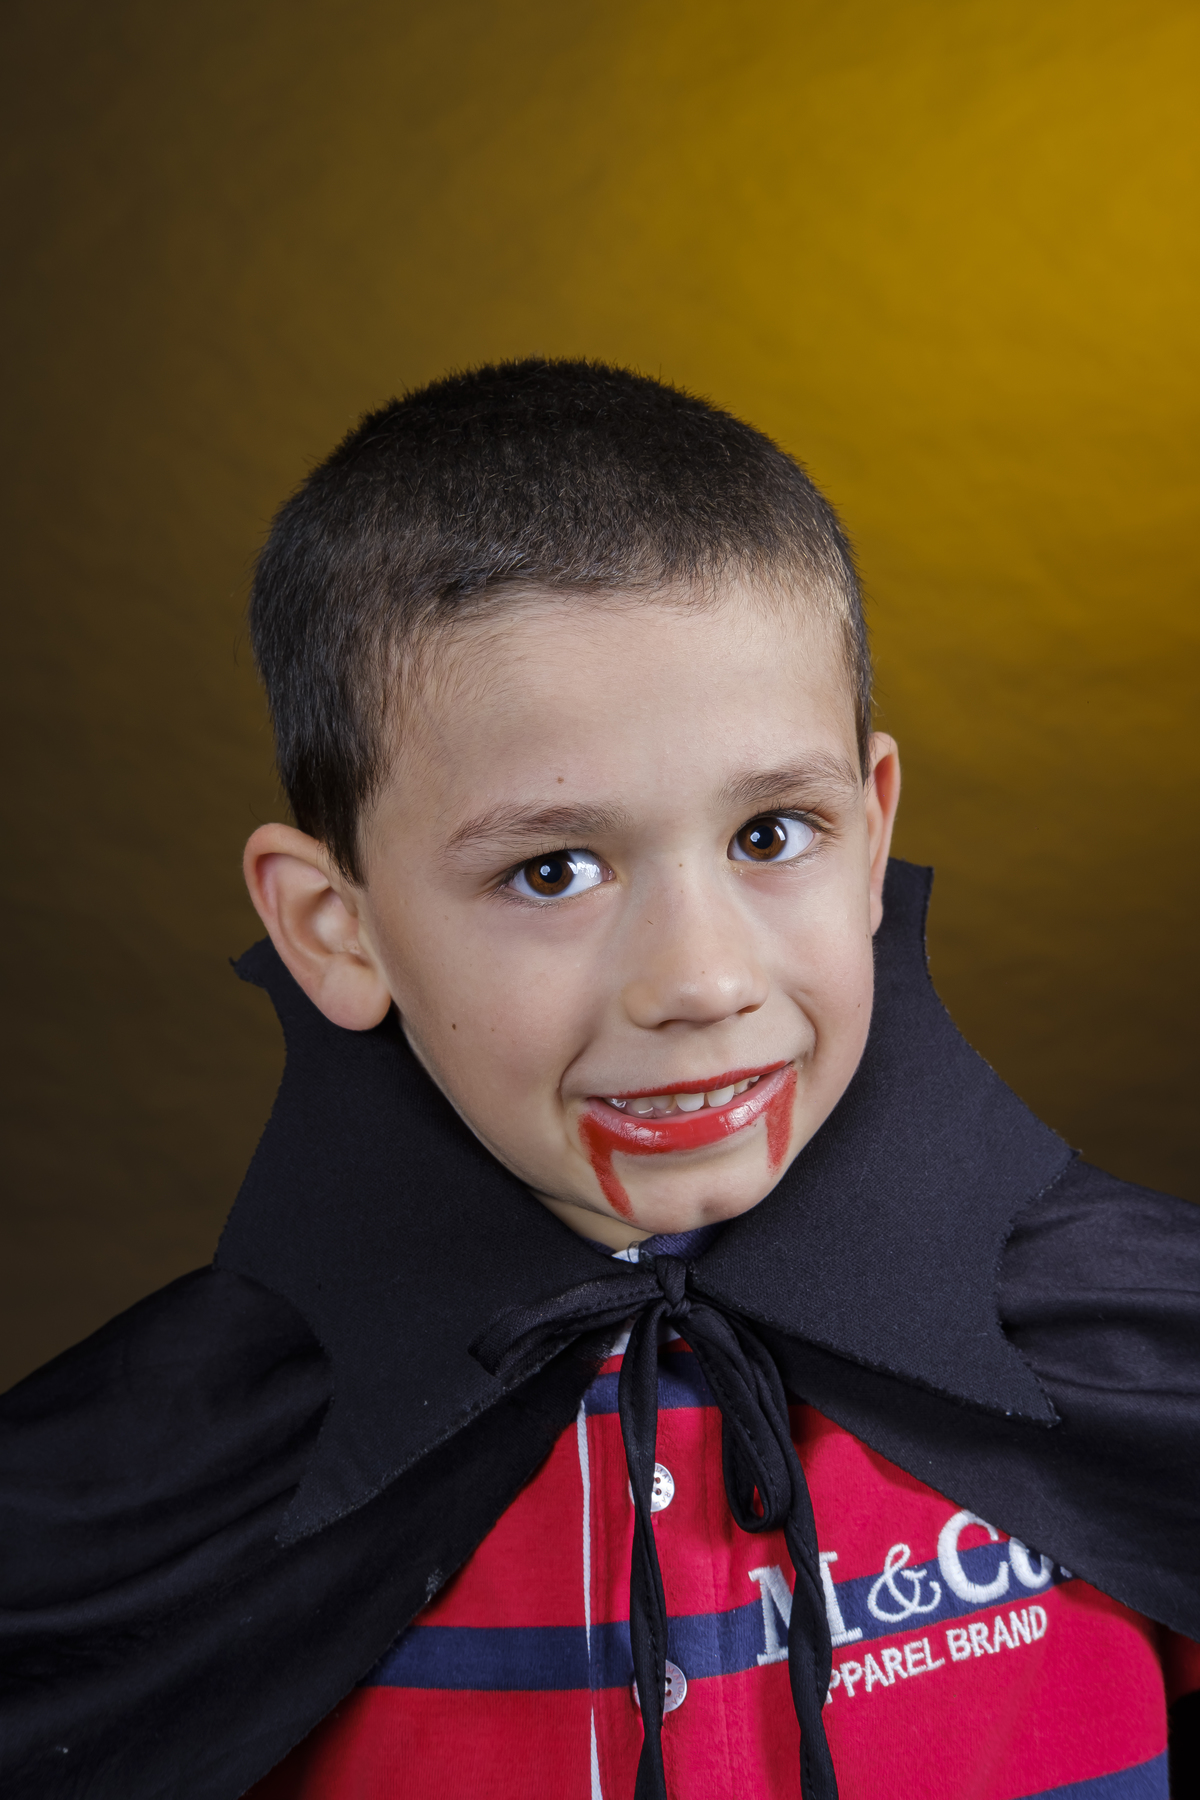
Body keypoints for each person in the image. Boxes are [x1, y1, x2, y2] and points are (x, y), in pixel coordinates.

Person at [1, 360, 1197, 1800]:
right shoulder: (148, 1492)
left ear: (874, 838)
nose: (700, 980)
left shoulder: (1140, 1352)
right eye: (553, 870)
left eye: (771, 835)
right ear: (336, 929)